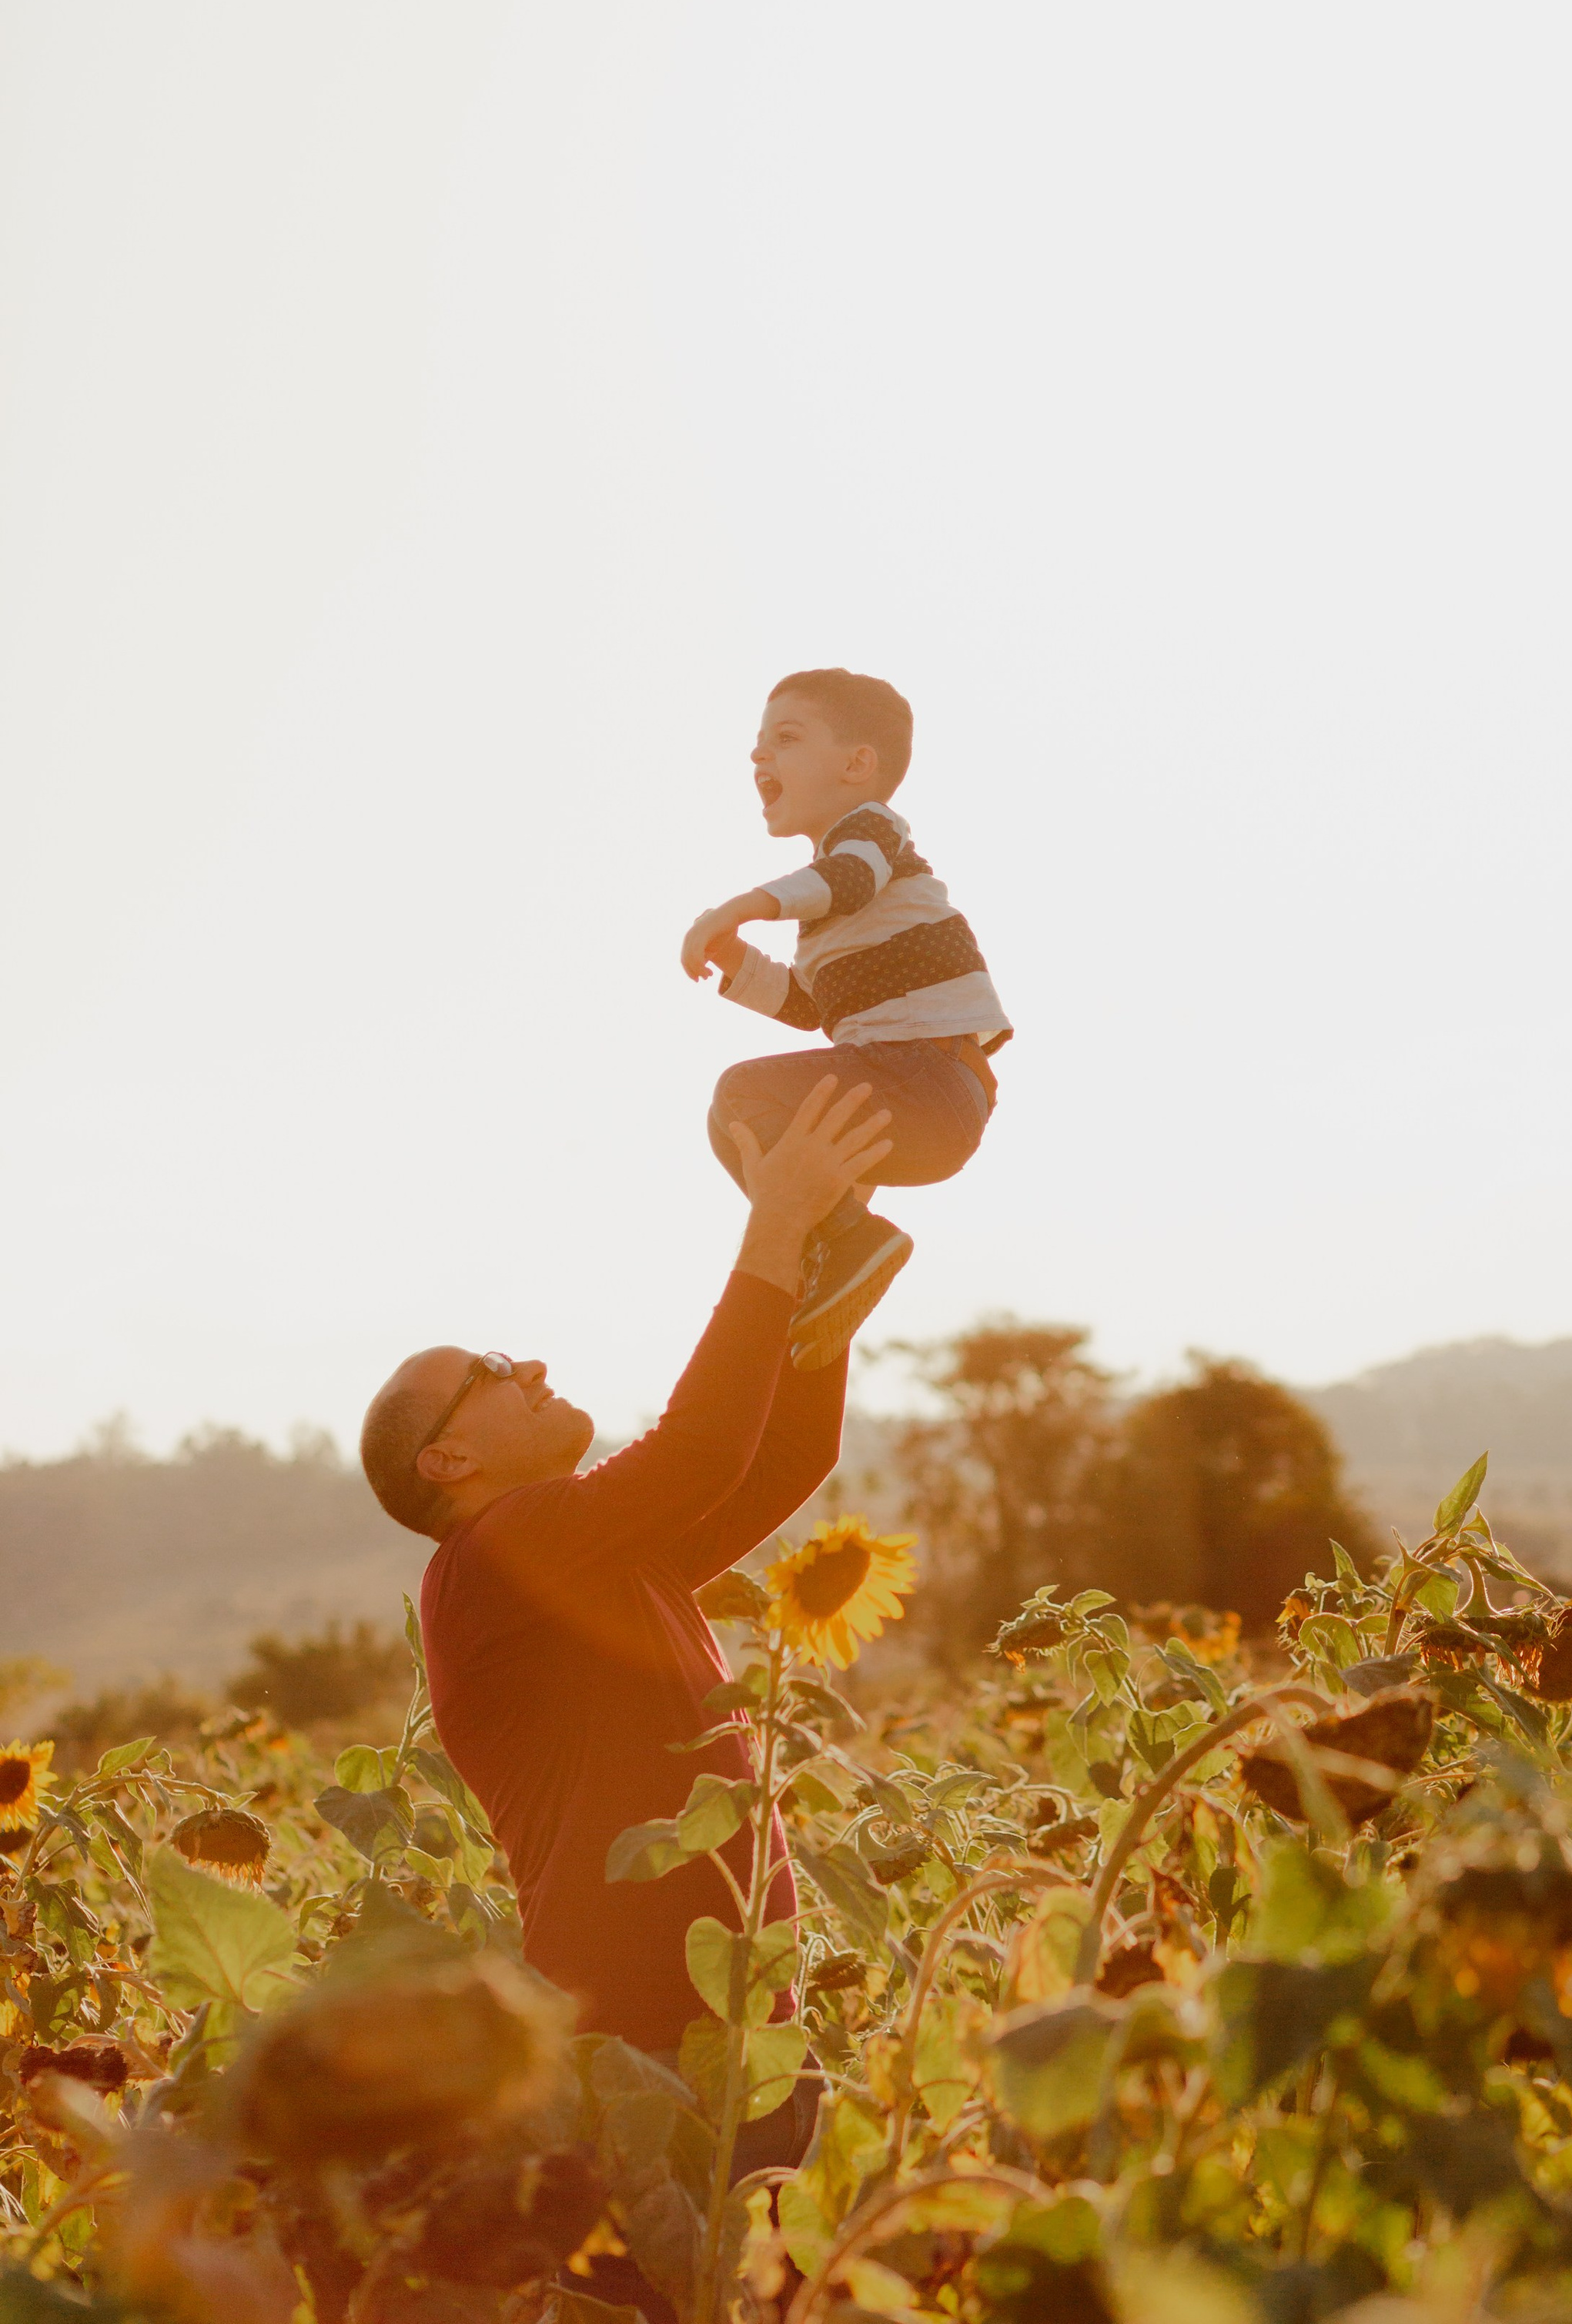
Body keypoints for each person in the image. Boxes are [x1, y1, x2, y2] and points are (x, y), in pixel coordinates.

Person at [357, 1072, 891, 2173]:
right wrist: (775, 1226)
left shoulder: (597, 1560)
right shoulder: (491, 1564)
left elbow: (783, 1457)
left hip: (745, 2036)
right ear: (448, 1461)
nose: (534, 1363)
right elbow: (695, 1450)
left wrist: (824, 1277)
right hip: (646, 2059)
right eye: (495, 1371)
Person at [680, 667, 1010, 1369]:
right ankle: (827, 1265)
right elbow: (809, 1008)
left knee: (742, 1093)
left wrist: (744, 907)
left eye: (787, 738)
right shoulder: (829, 912)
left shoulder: (870, 838)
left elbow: (845, 880)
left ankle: (849, 1240)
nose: (758, 757)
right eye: (758, 744)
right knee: (732, 1119)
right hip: (909, 1093)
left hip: (928, 1078)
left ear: (858, 765)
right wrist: (737, 962)